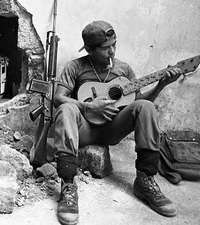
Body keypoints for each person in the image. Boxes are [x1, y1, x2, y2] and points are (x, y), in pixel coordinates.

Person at [53, 20, 182, 225]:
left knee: (146, 107)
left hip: (114, 129)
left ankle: (145, 181)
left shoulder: (123, 69)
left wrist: (161, 85)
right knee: (65, 108)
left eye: (114, 44)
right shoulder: (75, 67)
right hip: (84, 130)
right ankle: (68, 186)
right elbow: (57, 98)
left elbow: (140, 104)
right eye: (105, 48)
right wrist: (88, 107)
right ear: (89, 49)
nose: (112, 51)